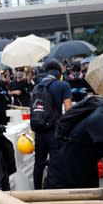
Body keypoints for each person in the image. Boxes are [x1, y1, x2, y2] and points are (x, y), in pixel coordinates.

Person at [32, 59, 72, 190]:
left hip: (38, 130)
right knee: (55, 162)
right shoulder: (63, 85)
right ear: (59, 73)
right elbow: (69, 110)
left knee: (38, 163)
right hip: (54, 130)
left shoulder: (36, 87)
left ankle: (37, 192)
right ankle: (54, 191)